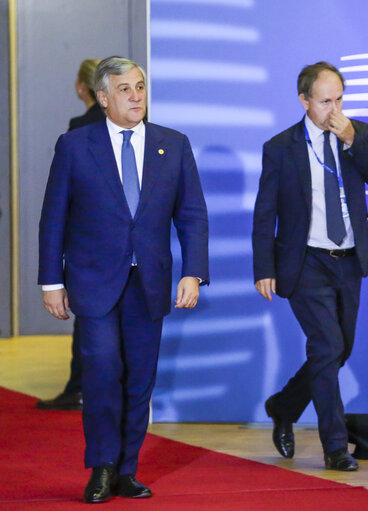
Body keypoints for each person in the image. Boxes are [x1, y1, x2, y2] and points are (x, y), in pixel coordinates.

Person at [38, 56, 209, 503]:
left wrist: (193, 271)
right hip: (93, 282)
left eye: (140, 87)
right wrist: (50, 281)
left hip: (149, 282)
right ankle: (101, 465)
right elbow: (53, 218)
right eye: (125, 89)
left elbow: (191, 215)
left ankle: (126, 470)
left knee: (139, 380)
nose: (136, 96)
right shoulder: (75, 145)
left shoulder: (173, 144)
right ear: (102, 97)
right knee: (101, 372)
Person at [252, 61, 368, 471]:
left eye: (340, 100)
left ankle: (284, 405)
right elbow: (265, 214)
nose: (334, 109)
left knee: (339, 349)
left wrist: (352, 141)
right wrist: (264, 266)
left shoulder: (356, 132)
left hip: (350, 258)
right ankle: (334, 446)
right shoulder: (280, 147)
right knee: (327, 347)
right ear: (304, 101)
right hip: (305, 260)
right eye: (325, 101)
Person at [36, 58, 105, 412]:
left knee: (89, 327)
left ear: (83, 88)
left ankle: (79, 387)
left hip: (89, 248)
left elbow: (65, 199)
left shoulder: (79, 128)